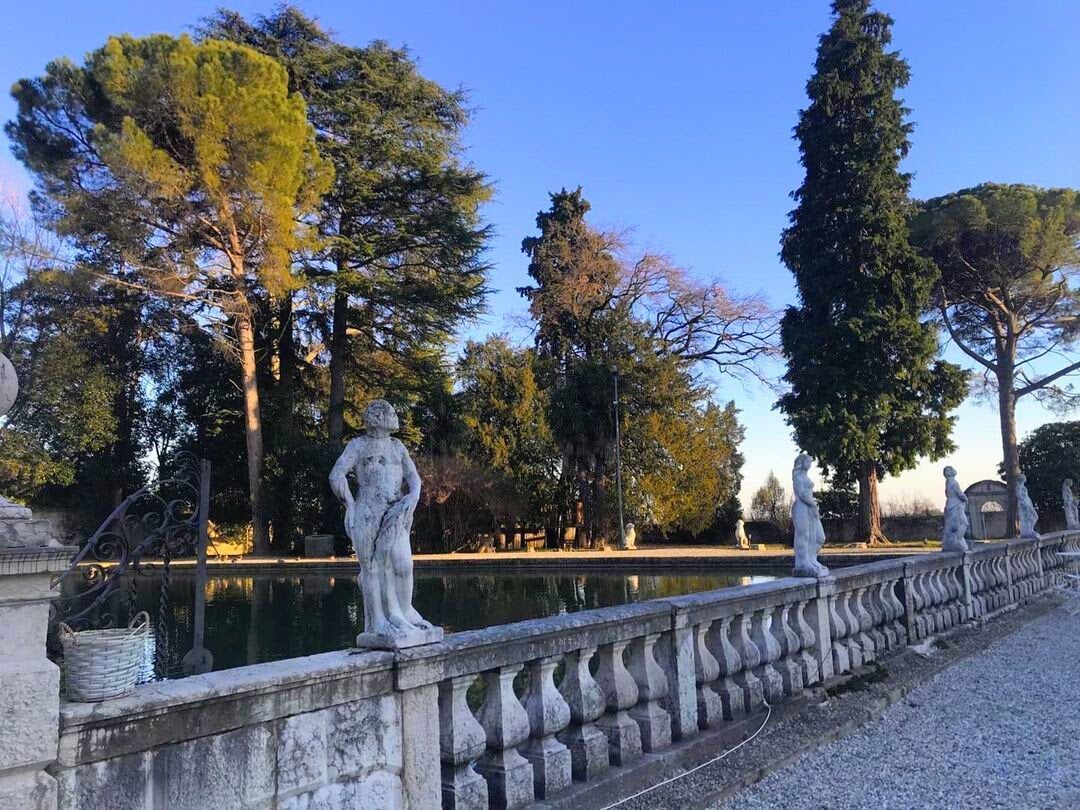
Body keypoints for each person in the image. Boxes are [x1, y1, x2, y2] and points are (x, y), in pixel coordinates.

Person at [329, 400, 438, 644]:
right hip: (367, 512)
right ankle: (379, 620)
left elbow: (414, 478)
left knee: (403, 564)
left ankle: (405, 610)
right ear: (378, 418)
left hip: (396, 512)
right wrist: (350, 504)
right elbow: (336, 475)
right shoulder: (358, 446)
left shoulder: (397, 447)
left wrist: (413, 496)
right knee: (372, 568)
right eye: (391, 412)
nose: (395, 416)